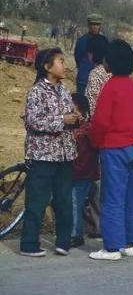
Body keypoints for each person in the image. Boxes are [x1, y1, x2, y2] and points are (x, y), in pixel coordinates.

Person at [20, 48, 81, 257]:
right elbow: (32, 121)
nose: (65, 65)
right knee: (37, 201)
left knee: (64, 200)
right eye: (61, 61)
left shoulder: (64, 90)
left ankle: (63, 241)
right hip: (43, 155)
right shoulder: (36, 91)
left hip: (64, 154)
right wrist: (61, 120)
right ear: (47, 66)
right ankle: (29, 244)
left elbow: (69, 118)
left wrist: (75, 119)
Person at [89, 40, 133, 261]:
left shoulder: (110, 87)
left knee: (111, 197)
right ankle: (130, 242)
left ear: (110, 61)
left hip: (114, 148)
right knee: (131, 196)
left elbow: (100, 121)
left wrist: (95, 141)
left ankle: (111, 247)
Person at [83, 34, 110, 238]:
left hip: (100, 133)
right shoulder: (115, 75)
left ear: (92, 54)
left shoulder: (95, 75)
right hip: (117, 135)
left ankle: (99, 224)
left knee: (97, 179)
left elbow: (92, 106)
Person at [70, 93, 99, 248]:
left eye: (74, 110)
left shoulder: (87, 129)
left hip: (84, 172)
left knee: (75, 201)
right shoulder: (67, 129)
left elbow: (96, 144)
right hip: (71, 172)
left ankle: (76, 234)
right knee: (73, 201)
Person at [74, 14, 108, 95]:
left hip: (100, 78)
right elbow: (77, 58)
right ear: (88, 25)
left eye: (97, 24)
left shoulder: (104, 41)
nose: (95, 27)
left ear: (100, 26)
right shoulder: (81, 41)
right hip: (84, 78)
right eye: (92, 24)